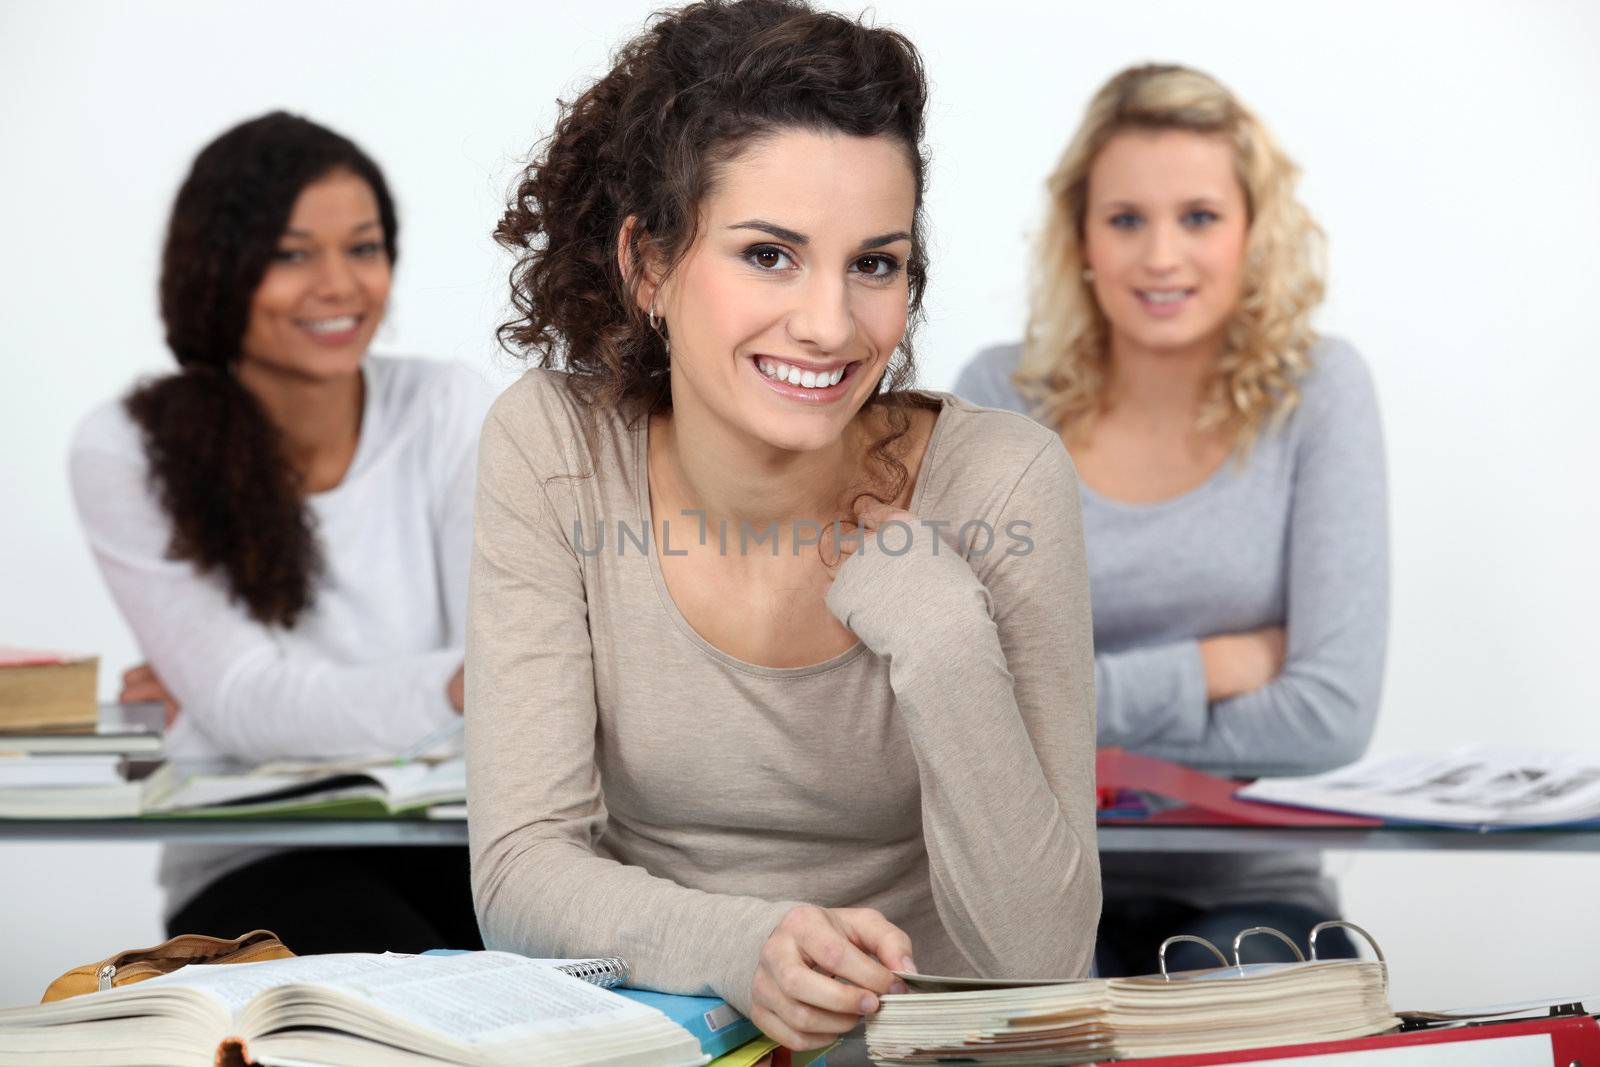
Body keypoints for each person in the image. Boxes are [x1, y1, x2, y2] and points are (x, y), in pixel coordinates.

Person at [467, 0, 1099, 1049]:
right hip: (657, 1034)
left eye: (874, 263)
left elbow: (1042, 953)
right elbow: (518, 871)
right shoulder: (552, 450)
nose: (828, 323)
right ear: (649, 266)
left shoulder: (999, 482)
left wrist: (942, 642)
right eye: (769, 255)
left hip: (928, 1043)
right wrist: (743, 947)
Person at [954, 63, 1389, 976]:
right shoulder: (997, 398)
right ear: (1080, 236)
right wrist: (1216, 664)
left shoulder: (1318, 394)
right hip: (1032, 886)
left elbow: (1330, 720)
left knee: (1236, 992)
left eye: (1198, 217)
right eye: (1126, 220)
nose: (1161, 257)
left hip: (1255, 899)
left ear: (1252, 233)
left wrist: (1071, 710)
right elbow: (962, 711)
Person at [69, 112, 491, 953]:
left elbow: (513, 675)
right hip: (258, 861)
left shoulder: (446, 405)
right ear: (217, 273)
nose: (338, 285)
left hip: (461, 839)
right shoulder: (128, 446)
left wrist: (228, 714)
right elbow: (248, 703)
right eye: (292, 254)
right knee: (398, 985)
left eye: (364, 248)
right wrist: (458, 688)